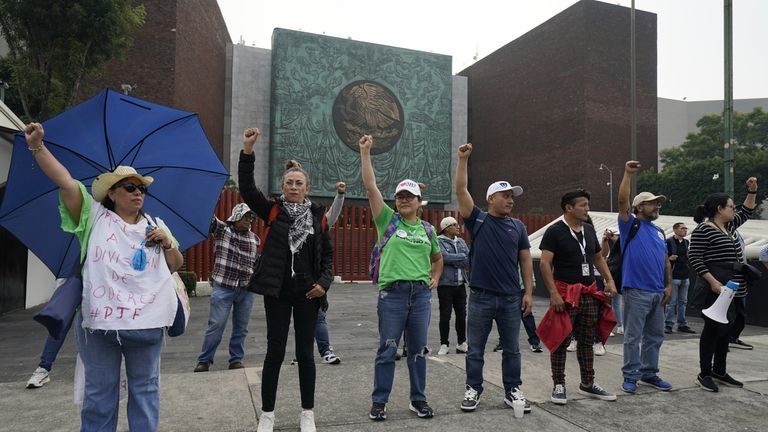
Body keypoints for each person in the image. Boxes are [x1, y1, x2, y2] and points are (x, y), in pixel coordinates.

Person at [24, 122, 184, 431]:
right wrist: (38, 147)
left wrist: (166, 241)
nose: (138, 193)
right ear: (111, 192)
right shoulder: (93, 216)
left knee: (146, 392)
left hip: (147, 324)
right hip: (100, 325)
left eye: (142, 188)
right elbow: (66, 182)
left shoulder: (156, 223)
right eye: (130, 187)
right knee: (99, 396)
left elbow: (175, 264)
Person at [239, 127, 334, 432]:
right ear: (282, 186)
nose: (294, 187)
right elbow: (247, 189)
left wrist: (324, 283)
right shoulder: (272, 210)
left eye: (299, 183)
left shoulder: (318, 217)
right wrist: (248, 151)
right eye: (289, 183)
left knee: (305, 354)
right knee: (275, 351)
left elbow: (329, 256)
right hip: (277, 291)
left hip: (308, 292)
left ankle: (307, 413)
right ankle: (267, 413)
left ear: (307, 188)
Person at [360, 134, 443, 421]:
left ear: (420, 202)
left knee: (418, 351)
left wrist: (435, 277)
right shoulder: (387, 220)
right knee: (387, 350)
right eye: (400, 197)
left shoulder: (428, 230)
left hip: (420, 296)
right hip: (392, 295)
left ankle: (418, 399)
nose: (404, 200)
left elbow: (437, 258)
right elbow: (371, 188)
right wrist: (365, 153)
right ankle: (379, 401)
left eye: (409, 197)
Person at [454, 143, 534, 414]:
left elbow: (525, 259)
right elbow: (461, 191)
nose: (510, 200)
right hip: (480, 298)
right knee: (475, 349)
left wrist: (529, 293)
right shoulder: (478, 220)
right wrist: (463, 160)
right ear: (490, 199)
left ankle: (512, 390)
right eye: (505, 195)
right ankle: (473, 389)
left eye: (512, 196)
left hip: (511, 299)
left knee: (512, 350)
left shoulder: (518, 227)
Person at [538, 190, 618, 405]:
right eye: (583, 205)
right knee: (561, 340)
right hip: (565, 293)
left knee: (586, 340)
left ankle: (588, 383)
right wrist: (553, 294)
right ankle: (559, 384)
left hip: (589, 292)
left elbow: (597, 258)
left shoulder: (590, 230)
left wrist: (609, 280)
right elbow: (545, 263)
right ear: (569, 208)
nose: (587, 208)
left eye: (587, 204)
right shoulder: (554, 231)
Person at [688, 177, 758, 392]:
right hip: (716, 288)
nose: (734, 209)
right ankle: (705, 373)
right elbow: (695, 257)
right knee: (712, 330)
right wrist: (712, 281)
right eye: (730, 206)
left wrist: (752, 191)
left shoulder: (728, 226)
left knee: (725, 331)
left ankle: (719, 369)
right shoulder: (704, 229)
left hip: (733, 288)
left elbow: (746, 211)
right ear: (719, 209)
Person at [616, 160, 673, 394]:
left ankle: (650, 373)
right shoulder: (631, 225)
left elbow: (664, 260)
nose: (656, 206)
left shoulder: (659, 232)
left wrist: (668, 286)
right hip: (636, 290)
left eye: (658, 203)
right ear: (639, 207)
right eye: (652, 203)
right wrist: (627, 174)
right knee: (632, 337)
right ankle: (631, 375)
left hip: (657, 293)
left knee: (655, 336)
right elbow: (621, 201)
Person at [194, 203, 259, 372]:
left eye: (250, 217)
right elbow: (208, 216)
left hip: (246, 289)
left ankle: (236, 359)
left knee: (241, 327)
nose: (249, 220)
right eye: (245, 216)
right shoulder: (222, 230)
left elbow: (255, 262)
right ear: (236, 216)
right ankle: (204, 360)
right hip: (223, 287)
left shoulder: (254, 238)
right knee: (216, 325)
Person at [436, 216, 469, 355]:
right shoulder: (439, 241)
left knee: (462, 315)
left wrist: (455, 259)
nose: (458, 227)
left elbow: (468, 258)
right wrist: (460, 258)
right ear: (447, 228)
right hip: (445, 284)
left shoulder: (461, 241)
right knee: (445, 315)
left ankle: (462, 342)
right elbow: (443, 257)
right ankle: (444, 344)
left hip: (460, 284)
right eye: (454, 225)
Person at [665, 222, 696, 334]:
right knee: (672, 302)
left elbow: (687, 256)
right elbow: (662, 257)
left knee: (683, 302)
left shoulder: (687, 242)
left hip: (685, 276)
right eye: (682, 228)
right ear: (675, 230)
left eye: (685, 228)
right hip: (673, 276)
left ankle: (682, 324)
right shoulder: (668, 242)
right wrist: (669, 258)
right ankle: (668, 324)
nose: (685, 230)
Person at [728, 230, 753, 350]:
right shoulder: (721, 231)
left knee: (740, 315)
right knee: (729, 314)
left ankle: (733, 337)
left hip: (741, 279)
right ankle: (724, 340)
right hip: (729, 279)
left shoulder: (736, 232)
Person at [601, 229, 624, 336]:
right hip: (609, 277)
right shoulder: (606, 246)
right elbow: (602, 256)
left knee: (616, 302)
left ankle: (619, 325)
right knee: (607, 303)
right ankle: (608, 326)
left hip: (616, 277)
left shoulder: (620, 248)